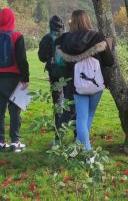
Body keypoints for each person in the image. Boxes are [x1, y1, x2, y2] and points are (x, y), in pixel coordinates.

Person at [56, 10, 114, 151]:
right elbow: (110, 61)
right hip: (96, 83)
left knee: (81, 118)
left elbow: (60, 60)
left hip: (77, 84)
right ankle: (87, 152)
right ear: (87, 20)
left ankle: (79, 146)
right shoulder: (97, 37)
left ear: (72, 21)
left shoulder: (65, 39)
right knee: (89, 115)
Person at [38, 15, 76, 145]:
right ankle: (76, 135)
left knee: (58, 103)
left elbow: (41, 57)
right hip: (67, 74)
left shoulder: (47, 38)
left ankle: (58, 136)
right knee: (71, 103)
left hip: (54, 74)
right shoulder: (67, 37)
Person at [0, 8, 29, 152]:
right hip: (14, 77)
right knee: (15, 111)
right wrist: (25, 78)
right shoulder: (17, 36)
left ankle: (0, 142)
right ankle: (15, 141)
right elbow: (22, 59)